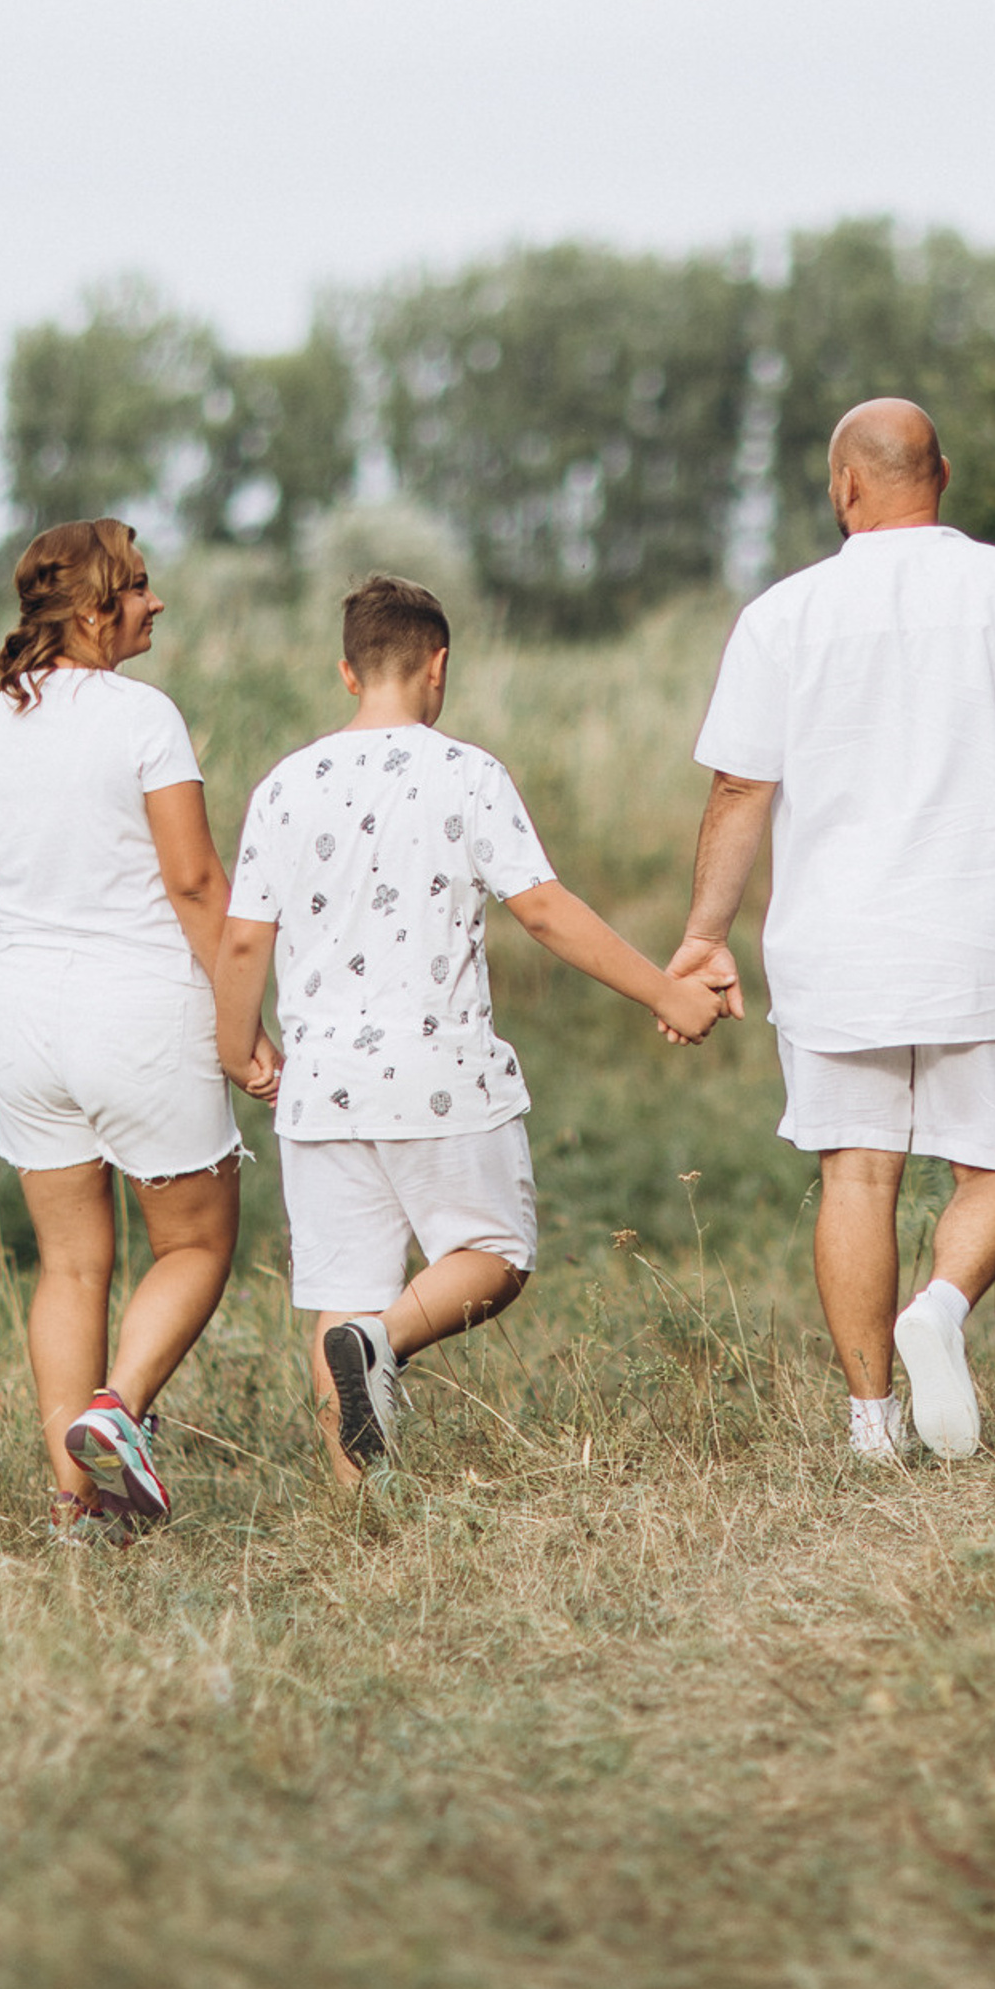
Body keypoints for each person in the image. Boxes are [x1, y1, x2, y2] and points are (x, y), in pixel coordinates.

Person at [668, 397, 995, 1460]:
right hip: (987, 934)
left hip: (838, 946)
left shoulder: (783, 614)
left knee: (857, 1173)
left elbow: (740, 787)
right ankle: (941, 1306)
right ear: (944, 473)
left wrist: (705, 933)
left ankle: (871, 1425)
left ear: (846, 485)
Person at [213, 574, 724, 1482]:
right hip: (438, 1073)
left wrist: (236, 1045)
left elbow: (246, 937)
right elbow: (544, 910)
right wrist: (664, 993)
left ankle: (361, 1507)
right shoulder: (467, 773)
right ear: (438, 666)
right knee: (493, 1255)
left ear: (347, 672)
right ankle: (383, 1342)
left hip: (321, 1085)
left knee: (341, 1294)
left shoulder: (284, 785)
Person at [0, 520, 280, 1543]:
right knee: (194, 1242)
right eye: (136, 587)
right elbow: (196, 884)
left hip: (20, 1016)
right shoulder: (143, 717)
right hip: (137, 1012)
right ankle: (116, 1411)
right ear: (92, 610)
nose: (154, 602)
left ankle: (74, 1503)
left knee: (69, 1263)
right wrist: (243, 1027)